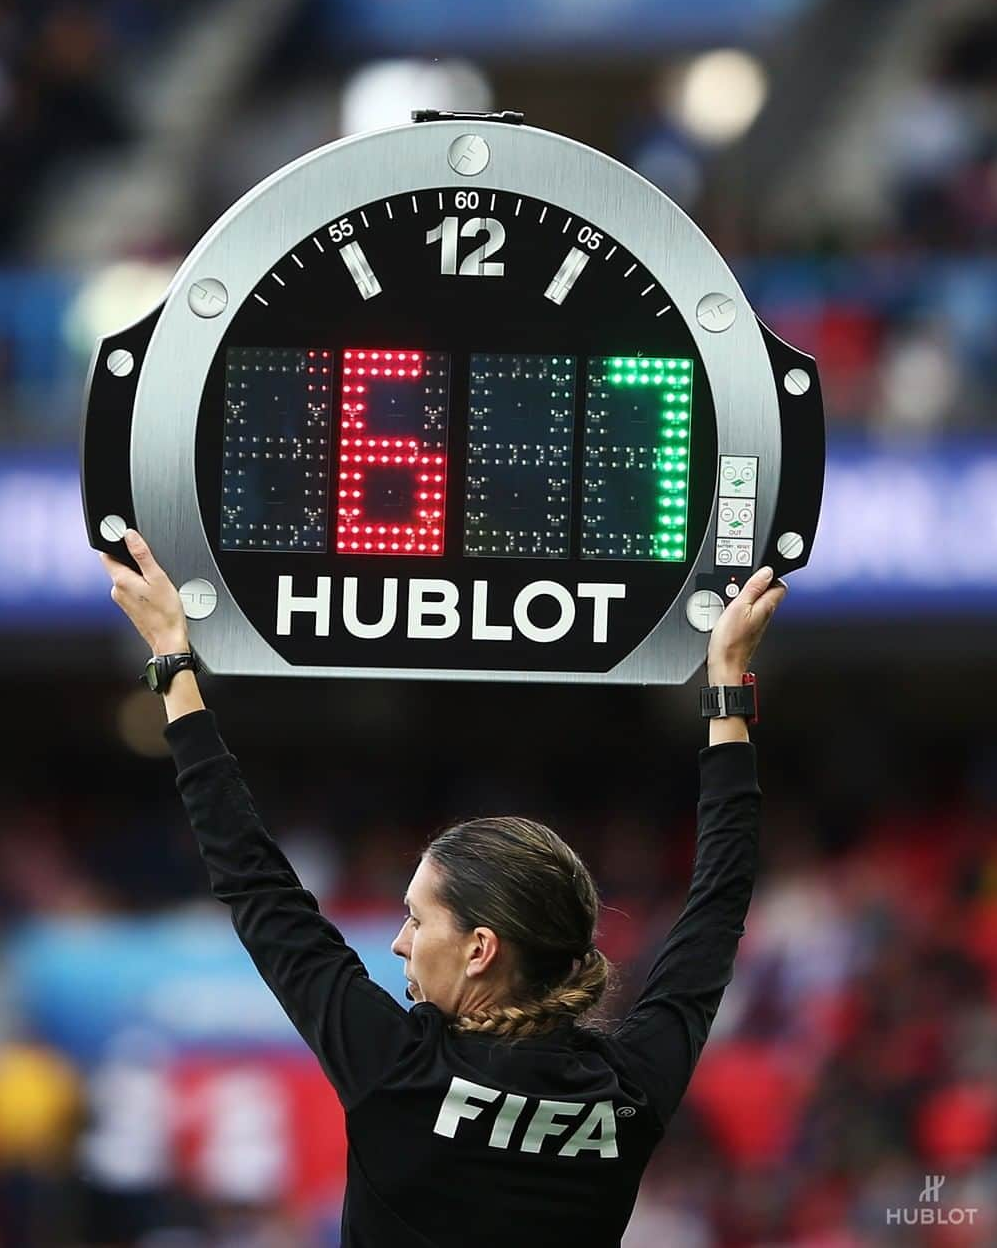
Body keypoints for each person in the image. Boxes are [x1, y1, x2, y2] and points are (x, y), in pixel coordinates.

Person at [99, 530, 787, 1248]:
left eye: (417, 920)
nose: (398, 941)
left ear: (480, 948)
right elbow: (718, 905)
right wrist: (728, 675)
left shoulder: (396, 1069)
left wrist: (173, 660)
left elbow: (255, 883)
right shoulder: (626, 1093)